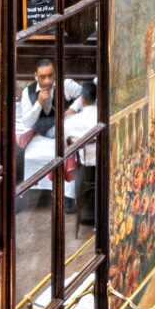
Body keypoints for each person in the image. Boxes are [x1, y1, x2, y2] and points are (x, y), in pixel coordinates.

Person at [60, 81, 98, 226]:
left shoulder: (72, 122)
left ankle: (77, 205)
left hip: (83, 165)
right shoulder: (103, 118)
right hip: (102, 163)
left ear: (82, 100)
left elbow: (64, 144)